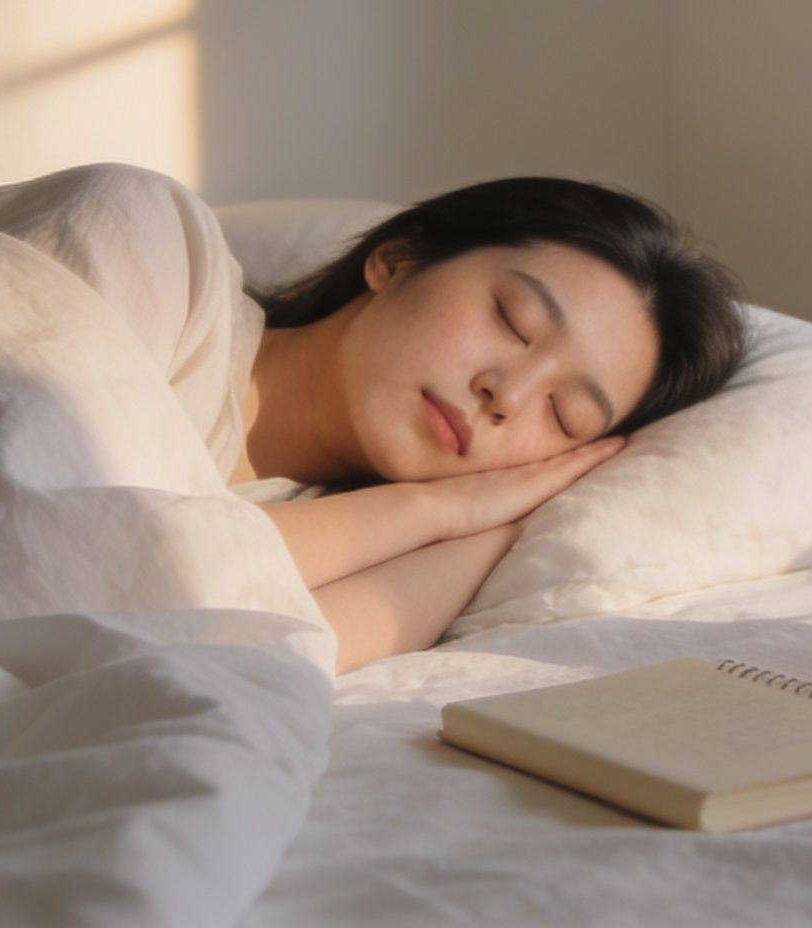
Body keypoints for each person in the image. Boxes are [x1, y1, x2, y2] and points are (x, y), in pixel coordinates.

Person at [228, 176, 749, 672]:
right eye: (512, 321)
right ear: (398, 259)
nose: (509, 394)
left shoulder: (364, 536)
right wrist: (435, 509)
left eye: (566, 414)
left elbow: (245, 657)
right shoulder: (169, 282)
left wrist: (475, 518)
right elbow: (157, 562)